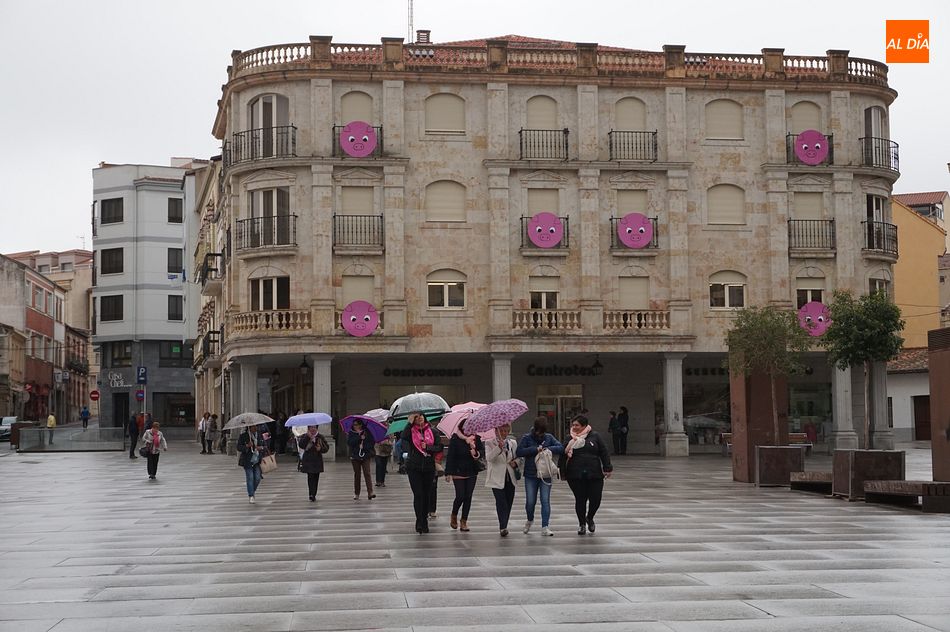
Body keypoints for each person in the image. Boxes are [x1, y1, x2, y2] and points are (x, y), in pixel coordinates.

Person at [563, 415, 613, 535]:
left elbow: (604, 451)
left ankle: (590, 517)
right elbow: (563, 452)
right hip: (575, 474)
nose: (574, 427)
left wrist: (607, 467)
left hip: (594, 473)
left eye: (577, 425)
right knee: (580, 499)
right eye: (573, 425)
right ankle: (581, 524)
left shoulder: (595, 436)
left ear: (584, 426)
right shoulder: (569, 438)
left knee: (596, 499)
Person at [516, 417, 563, 536]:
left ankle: (545, 526)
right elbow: (519, 452)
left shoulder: (549, 437)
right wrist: (535, 449)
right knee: (530, 501)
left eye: (542, 432)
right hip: (531, 474)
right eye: (538, 432)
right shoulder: (527, 438)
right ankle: (530, 519)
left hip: (545, 474)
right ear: (535, 429)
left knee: (545, 500)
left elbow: (560, 447)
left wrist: (548, 449)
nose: (540, 434)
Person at [401, 411, 442, 534]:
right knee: (418, 495)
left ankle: (424, 520)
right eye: (416, 417)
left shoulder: (433, 431)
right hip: (414, 467)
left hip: (429, 468)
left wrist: (427, 447)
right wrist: (409, 423)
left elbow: (439, 447)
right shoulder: (411, 431)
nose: (419, 419)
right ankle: (419, 521)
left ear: (425, 417)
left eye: (421, 416)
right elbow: (403, 436)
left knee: (426, 495)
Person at [445, 418, 484, 532]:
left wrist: (476, 452)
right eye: (467, 427)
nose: (469, 429)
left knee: (468, 497)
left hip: (471, 470)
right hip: (458, 471)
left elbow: (482, 452)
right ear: (462, 427)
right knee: (460, 495)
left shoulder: (476, 438)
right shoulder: (456, 439)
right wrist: (448, 472)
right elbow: (450, 456)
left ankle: (464, 521)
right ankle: (454, 514)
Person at [485, 423, 519, 537]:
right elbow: (489, 458)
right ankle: (503, 527)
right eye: (501, 431)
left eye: (506, 431)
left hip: (510, 477)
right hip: (496, 477)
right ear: (496, 431)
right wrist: (498, 448)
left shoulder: (512, 443)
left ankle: (504, 523)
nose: (504, 433)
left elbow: (519, 457)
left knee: (509, 502)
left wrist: (516, 463)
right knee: (501, 502)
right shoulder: (490, 443)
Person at [347, 418, 376, 500]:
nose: (355, 426)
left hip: (365, 455)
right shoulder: (351, 433)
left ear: (360, 425)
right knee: (357, 474)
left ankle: (370, 492)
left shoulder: (367, 432)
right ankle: (357, 493)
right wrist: (359, 438)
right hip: (355, 456)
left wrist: (364, 446)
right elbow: (350, 443)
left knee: (367, 473)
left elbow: (371, 443)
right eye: (354, 424)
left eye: (356, 424)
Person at [298, 425, 328, 501]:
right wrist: (308, 437)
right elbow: (301, 445)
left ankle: (314, 493)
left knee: (316, 477)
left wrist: (320, 449)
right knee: (310, 476)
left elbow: (326, 448)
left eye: (314, 427)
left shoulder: (320, 436)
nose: (313, 429)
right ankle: (311, 494)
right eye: (311, 427)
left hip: (317, 460)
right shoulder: (305, 436)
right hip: (308, 459)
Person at [238, 424, 267, 503]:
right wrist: (247, 446)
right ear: (249, 428)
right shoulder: (243, 436)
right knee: (250, 477)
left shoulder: (260, 435)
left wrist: (260, 448)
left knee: (257, 478)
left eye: (256, 426)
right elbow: (239, 447)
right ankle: (251, 495)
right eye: (253, 427)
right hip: (248, 460)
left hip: (257, 460)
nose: (255, 428)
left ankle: (252, 490)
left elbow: (265, 446)